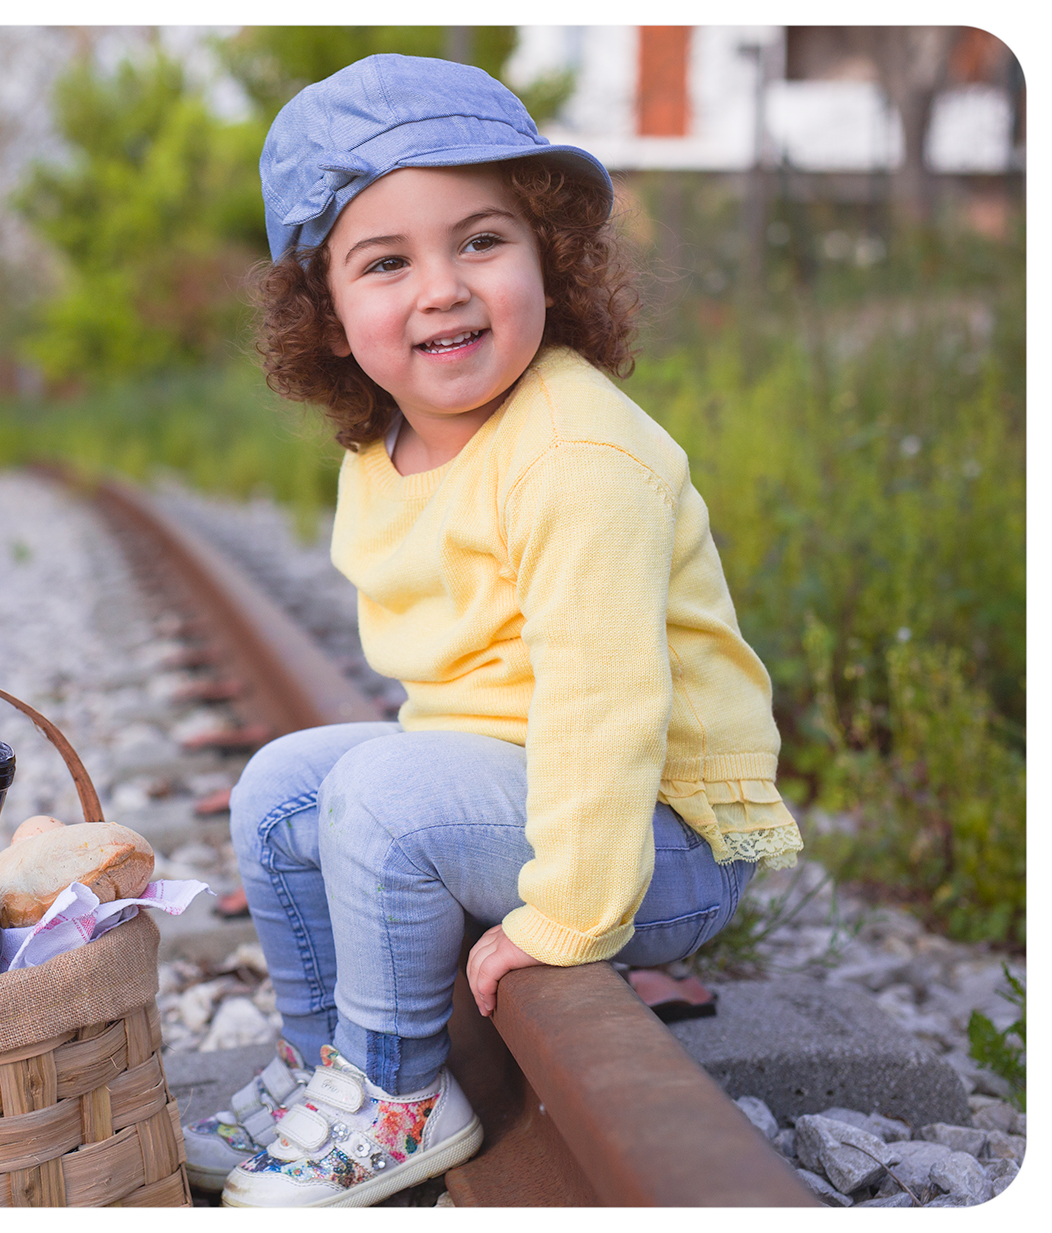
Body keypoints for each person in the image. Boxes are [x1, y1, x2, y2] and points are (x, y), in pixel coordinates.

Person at [181, 54, 804, 1209]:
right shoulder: (384, 450)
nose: (441, 290)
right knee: (278, 789)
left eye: (480, 241)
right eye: (385, 262)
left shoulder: (574, 453)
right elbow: (466, 690)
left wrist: (566, 912)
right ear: (323, 315)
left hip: (655, 834)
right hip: (528, 790)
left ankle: (398, 1093)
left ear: (548, 257)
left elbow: (602, 701)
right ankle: (323, 1068)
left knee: (379, 795)